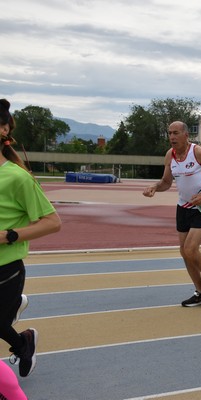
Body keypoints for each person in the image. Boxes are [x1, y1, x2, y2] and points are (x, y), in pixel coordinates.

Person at [1, 99, 62, 378]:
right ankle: (21, 336)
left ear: (3, 130)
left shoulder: (17, 178)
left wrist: (10, 235)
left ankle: (19, 332)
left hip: (6, 267)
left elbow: (52, 222)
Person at [143, 121, 201, 306]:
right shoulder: (169, 156)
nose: (172, 137)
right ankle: (199, 291)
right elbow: (166, 182)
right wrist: (155, 187)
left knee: (190, 249)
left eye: (175, 133)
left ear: (186, 135)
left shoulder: (198, 152)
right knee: (184, 252)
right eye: (169, 133)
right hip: (183, 207)